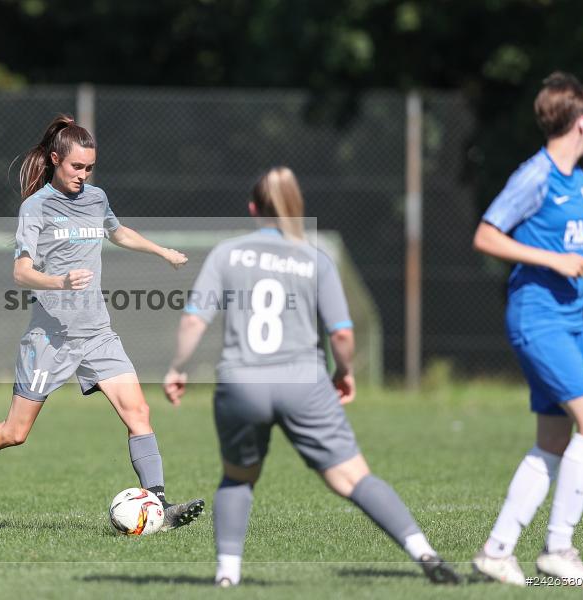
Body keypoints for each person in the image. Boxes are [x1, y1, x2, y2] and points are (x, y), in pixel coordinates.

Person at [163, 166, 459, 587]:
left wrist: (178, 368)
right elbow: (341, 332)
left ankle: (227, 576)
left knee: (237, 477)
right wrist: (346, 372)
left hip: (242, 382)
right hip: (304, 382)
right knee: (352, 478)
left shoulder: (227, 253)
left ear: (252, 208)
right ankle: (424, 553)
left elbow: (194, 321)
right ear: (296, 206)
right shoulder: (315, 257)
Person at [0, 114, 204, 531]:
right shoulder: (36, 207)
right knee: (14, 432)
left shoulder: (96, 198)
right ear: (55, 160)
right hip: (51, 338)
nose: (83, 175)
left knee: (139, 411)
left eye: (89, 168)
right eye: (76, 167)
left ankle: (157, 504)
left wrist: (162, 252)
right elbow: (21, 273)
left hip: (97, 333)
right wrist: (59, 281)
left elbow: (116, 233)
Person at [472, 72, 583, 588]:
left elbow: (574, 246)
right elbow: (486, 235)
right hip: (538, 318)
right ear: (578, 122)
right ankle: (559, 550)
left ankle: (497, 551)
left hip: (567, 321)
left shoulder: (581, 181)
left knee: (554, 439)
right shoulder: (537, 175)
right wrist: (552, 260)